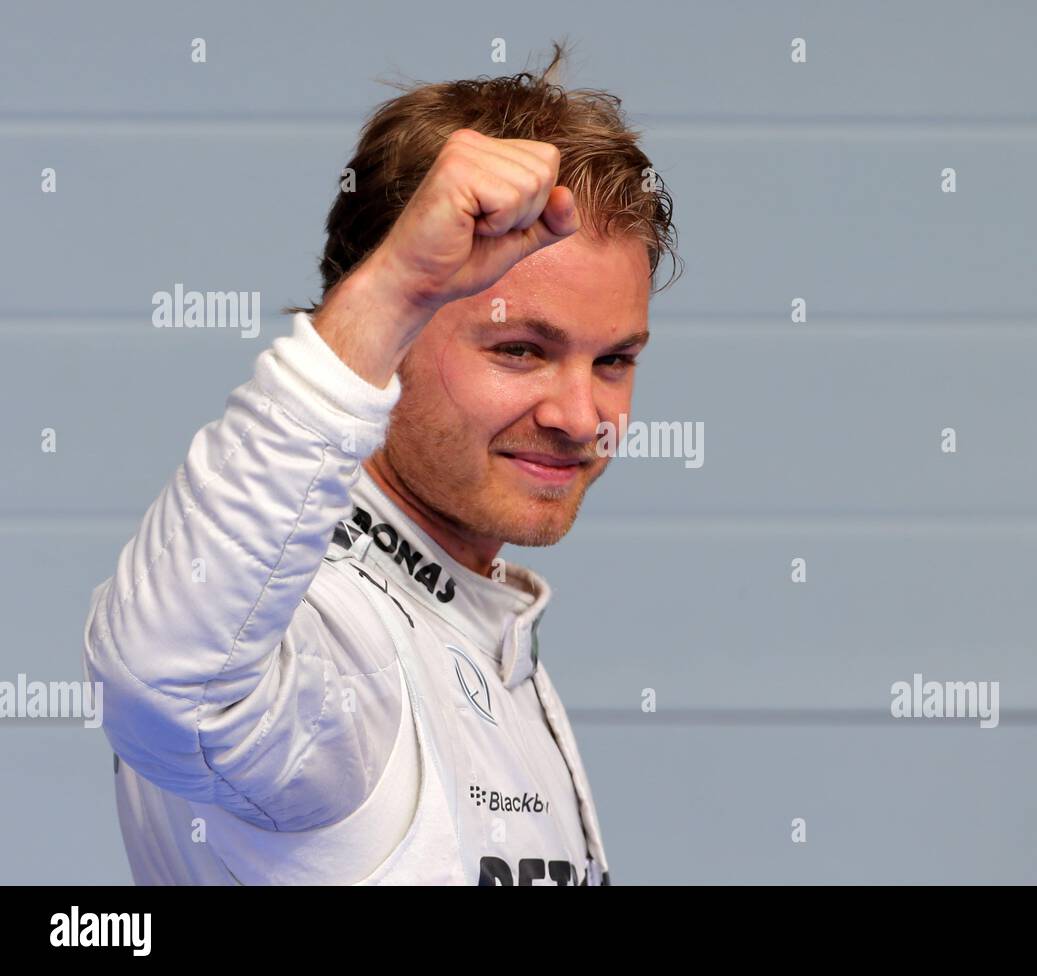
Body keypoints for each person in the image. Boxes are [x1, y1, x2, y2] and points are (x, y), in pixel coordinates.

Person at [81, 42, 681, 885]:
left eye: (614, 360)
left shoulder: (471, 625)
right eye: (519, 350)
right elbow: (165, 688)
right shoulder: (329, 635)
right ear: (387, 334)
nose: (581, 417)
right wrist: (393, 286)